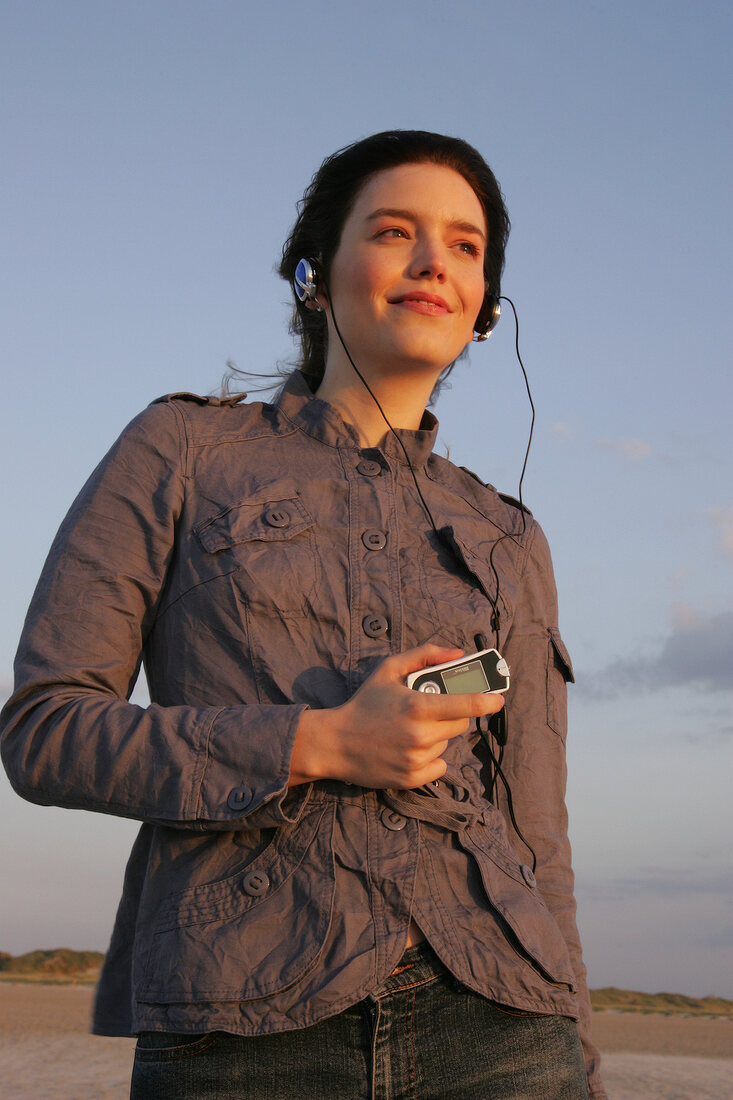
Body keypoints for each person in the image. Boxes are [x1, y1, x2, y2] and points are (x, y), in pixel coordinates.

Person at [0, 130, 606, 1099]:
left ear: (486, 309)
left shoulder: (511, 534)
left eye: (464, 245)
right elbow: (45, 730)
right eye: (395, 230)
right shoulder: (180, 448)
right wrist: (317, 741)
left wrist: (575, 1054)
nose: (431, 264)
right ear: (313, 273)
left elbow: (538, 836)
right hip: (239, 1021)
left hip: (503, 1024)